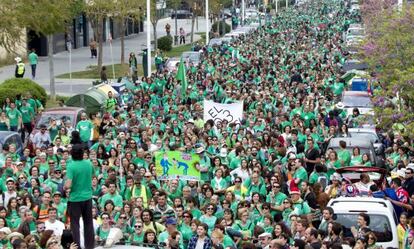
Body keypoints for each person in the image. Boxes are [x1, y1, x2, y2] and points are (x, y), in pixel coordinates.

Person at [64, 144, 95, 249]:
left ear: (72, 153)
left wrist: (64, 187)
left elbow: (68, 185)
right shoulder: (89, 163)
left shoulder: (71, 166)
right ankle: (90, 246)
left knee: (75, 225)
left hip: (75, 199)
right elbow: (93, 175)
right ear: (82, 154)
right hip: (87, 197)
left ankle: (76, 247)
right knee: (88, 223)